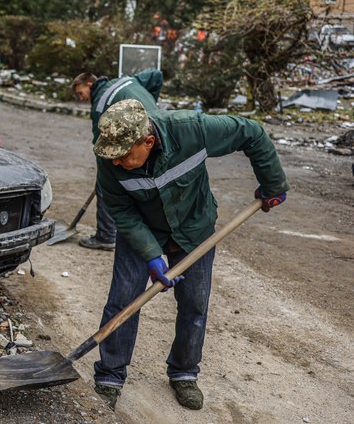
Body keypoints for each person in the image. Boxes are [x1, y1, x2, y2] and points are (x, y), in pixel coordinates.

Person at [91, 99, 288, 412]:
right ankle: (110, 376)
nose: (115, 163)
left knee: (194, 302)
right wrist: (151, 254)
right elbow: (120, 210)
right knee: (123, 299)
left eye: (124, 157)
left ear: (149, 141)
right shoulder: (110, 155)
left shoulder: (192, 129)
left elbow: (252, 132)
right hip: (143, 230)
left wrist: (273, 182)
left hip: (193, 229)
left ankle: (184, 372)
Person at [71, 69, 162, 251]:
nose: (81, 98)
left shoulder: (100, 105)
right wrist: (152, 104)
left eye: (81, 93)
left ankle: (105, 235)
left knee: (107, 183)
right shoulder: (128, 80)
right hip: (159, 128)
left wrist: (104, 177)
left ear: (89, 84)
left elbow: (102, 148)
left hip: (139, 137)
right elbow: (156, 76)